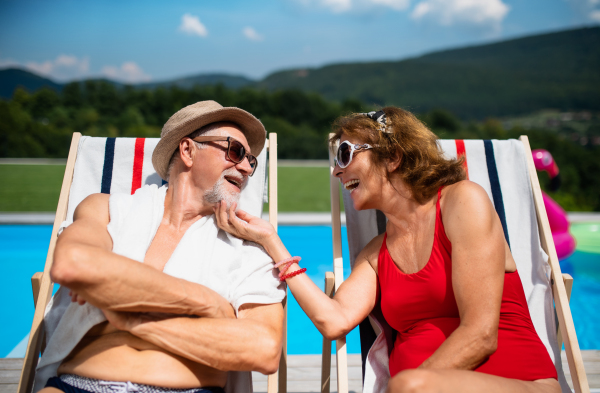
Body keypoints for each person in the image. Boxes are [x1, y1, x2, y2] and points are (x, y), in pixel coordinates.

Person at [214, 107, 560, 393]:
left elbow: (482, 334)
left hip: (515, 382)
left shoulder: (462, 202)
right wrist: (271, 242)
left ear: (393, 156)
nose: (336, 170)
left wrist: (410, 387)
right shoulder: (376, 253)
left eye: (345, 154)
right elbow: (333, 321)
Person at [35, 101, 286, 393]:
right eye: (235, 151)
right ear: (188, 151)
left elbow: (264, 349)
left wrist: (130, 317)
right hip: (75, 385)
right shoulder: (108, 210)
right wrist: (209, 304)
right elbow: (73, 265)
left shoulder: (249, 249)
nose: (245, 167)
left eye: (251, 161)